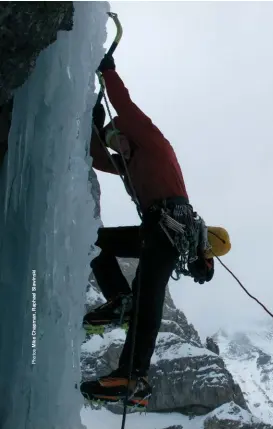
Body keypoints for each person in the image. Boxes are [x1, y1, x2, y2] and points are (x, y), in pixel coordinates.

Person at [80, 54, 231, 407]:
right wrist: (93, 127)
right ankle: (119, 299)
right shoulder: (129, 163)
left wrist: (108, 71)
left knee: (149, 298)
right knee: (93, 243)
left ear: (128, 134)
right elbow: (96, 157)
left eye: (119, 137)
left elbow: (125, 106)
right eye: (113, 141)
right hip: (158, 230)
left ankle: (132, 376)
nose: (118, 145)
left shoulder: (151, 143)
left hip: (167, 227)